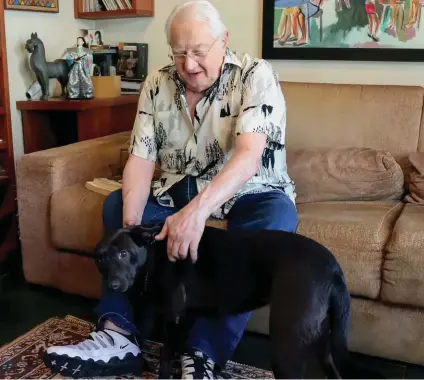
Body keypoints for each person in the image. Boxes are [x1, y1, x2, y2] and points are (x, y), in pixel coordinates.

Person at [44, 1, 298, 378]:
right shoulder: (157, 82)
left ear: (223, 40)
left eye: (198, 52)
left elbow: (247, 157)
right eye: (179, 53)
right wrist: (132, 228)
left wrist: (196, 214)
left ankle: (202, 352)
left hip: (249, 190)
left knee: (278, 217)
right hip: (178, 187)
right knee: (118, 206)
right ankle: (118, 334)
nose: (189, 65)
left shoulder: (256, 75)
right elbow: (142, 159)